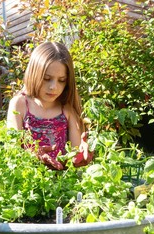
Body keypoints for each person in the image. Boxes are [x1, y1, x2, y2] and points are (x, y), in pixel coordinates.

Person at [6, 42, 92, 170]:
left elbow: (76, 155)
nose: (53, 87)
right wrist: (32, 154)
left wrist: (82, 156)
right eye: (47, 78)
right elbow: (11, 150)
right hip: (27, 182)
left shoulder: (66, 109)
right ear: (34, 74)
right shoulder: (20, 105)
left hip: (61, 183)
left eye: (61, 80)